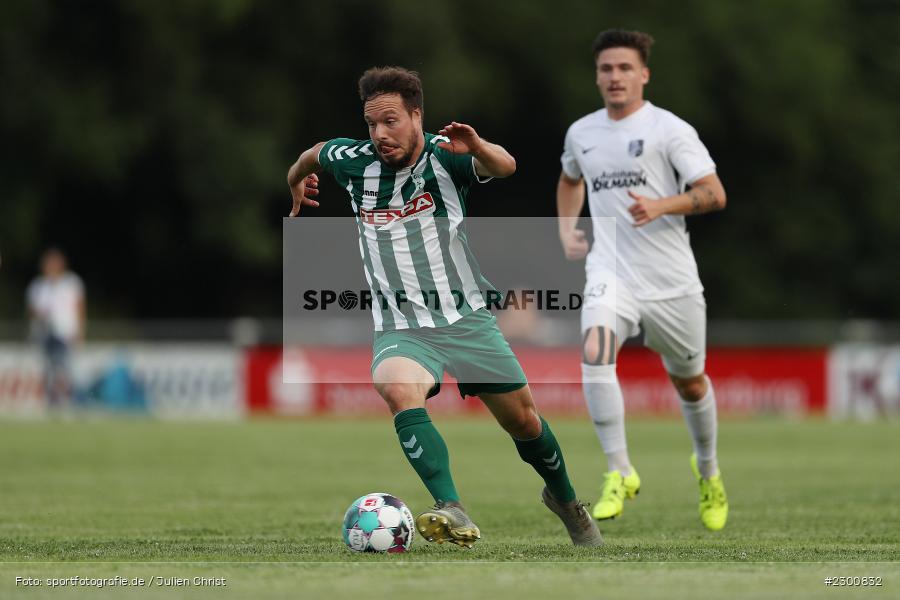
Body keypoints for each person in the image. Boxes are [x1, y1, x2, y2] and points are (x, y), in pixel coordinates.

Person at [287, 66, 602, 548]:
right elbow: (310, 156)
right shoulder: (351, 159)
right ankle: (449, 505)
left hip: (467, 319)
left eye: (391, 121)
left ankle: (565, 500)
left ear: (416, 116)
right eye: (372, 124)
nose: (380, 134)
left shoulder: (445, 155)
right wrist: (297, 181)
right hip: (402, 326)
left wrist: (477, 147)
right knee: (396, 385)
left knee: (524, 422)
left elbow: (506, 167)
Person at [557, 30, 729, 530]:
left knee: (690, 382)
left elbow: (713, 192)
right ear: (597, 76)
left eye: (624, 68)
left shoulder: (668, 129)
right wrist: (566, 230)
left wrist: (661, 204)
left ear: (644, 75)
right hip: (611, 273)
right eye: (606, 69)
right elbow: (570, 179)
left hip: (671, 281)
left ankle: (709, 471)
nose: (615, 77)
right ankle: (619, 470)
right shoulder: (581, 133)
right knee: (595, 357)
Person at [26, 248, 86, 409]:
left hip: (66, 334)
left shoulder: (72, 283)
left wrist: (80, 332)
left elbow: (79, 309)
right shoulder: (38, 286)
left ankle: (70, 401)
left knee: (67, 369)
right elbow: (32, 310)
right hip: (46, 334)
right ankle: (51, 402)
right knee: (48, 369)